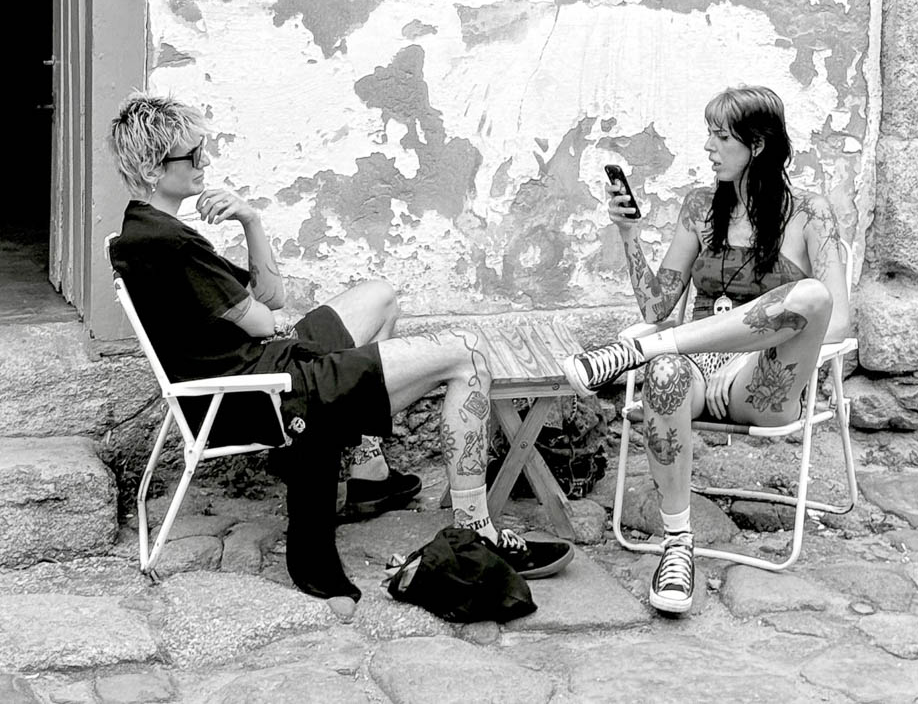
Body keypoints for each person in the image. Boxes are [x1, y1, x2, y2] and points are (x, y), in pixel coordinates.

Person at [108, 94, 573, 615]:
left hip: (267, 365)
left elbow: (275, 300)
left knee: (379, 295)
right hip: (268, 392)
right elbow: (266, 318)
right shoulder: (171, 245)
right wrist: (272, 323)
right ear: (153, 168)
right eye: (194, 156)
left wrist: (251, 221)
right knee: (465, 356)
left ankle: (367, 471)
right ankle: (476, 528)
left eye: (204, 150)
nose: (206, 162)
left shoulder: (149, 231)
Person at [563, 85, 850, 617]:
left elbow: (840, 321)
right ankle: (677, 546)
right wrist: (628, 234)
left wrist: (752, 343)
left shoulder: (812, 214)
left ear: (758, 145)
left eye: (721, 137)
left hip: (762, 380)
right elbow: (656, 306)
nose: (709, 148)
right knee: (666, 371)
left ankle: (641, 354)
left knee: (812, 296)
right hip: (694, 369)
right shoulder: (699, 207)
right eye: (710, 136)